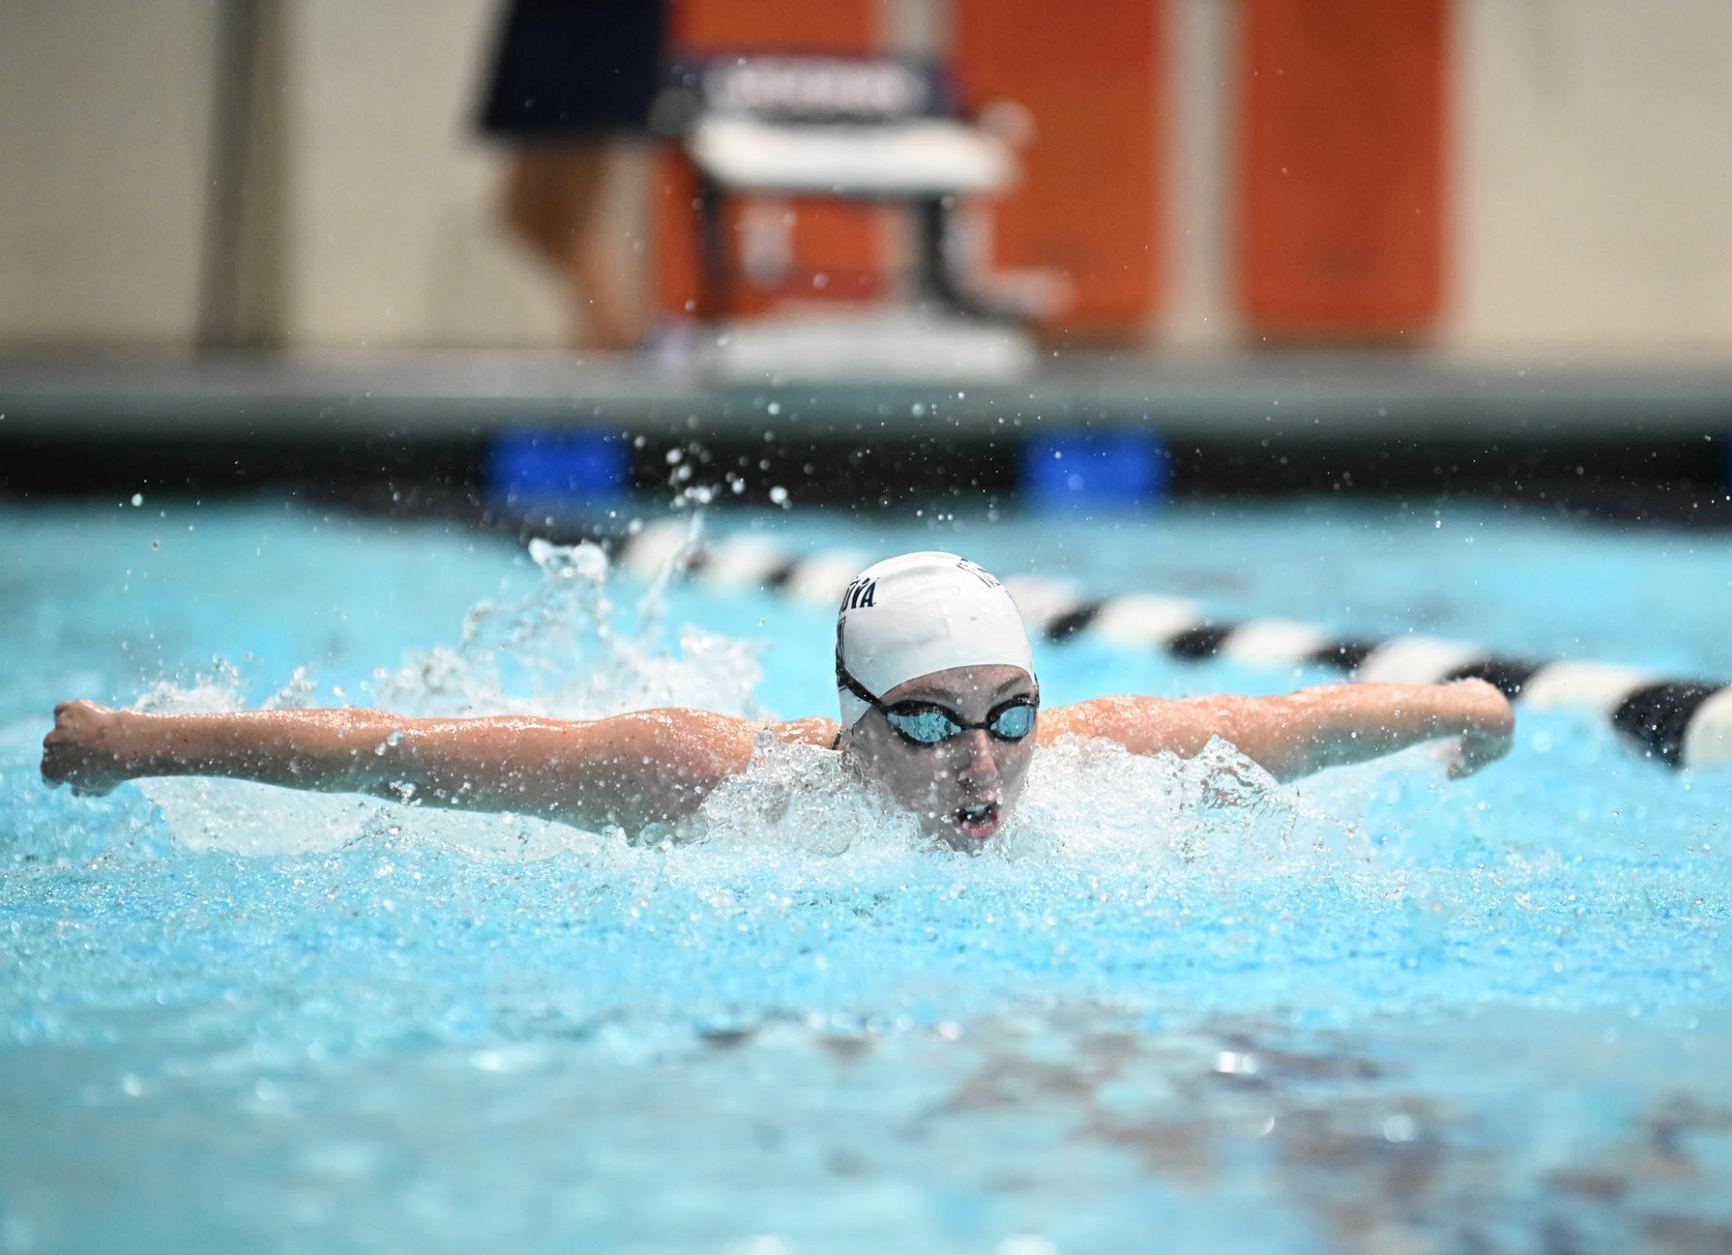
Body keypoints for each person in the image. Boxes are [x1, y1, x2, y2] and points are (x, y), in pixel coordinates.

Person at [40, 552, 1514, 852]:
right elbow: (399, 760)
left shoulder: (1106, 759)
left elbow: (1310, 723)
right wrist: (130, 747)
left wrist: (1464, 707)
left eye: (1011, 714)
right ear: (862, 721)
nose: (983, 765)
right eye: (934, 723)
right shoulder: (700, 778)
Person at [478, 0, 668, 350]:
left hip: (587, 20)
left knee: (563, 216)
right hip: (562, 20)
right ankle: (618, 341)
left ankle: (621, 343)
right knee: (536, 211)